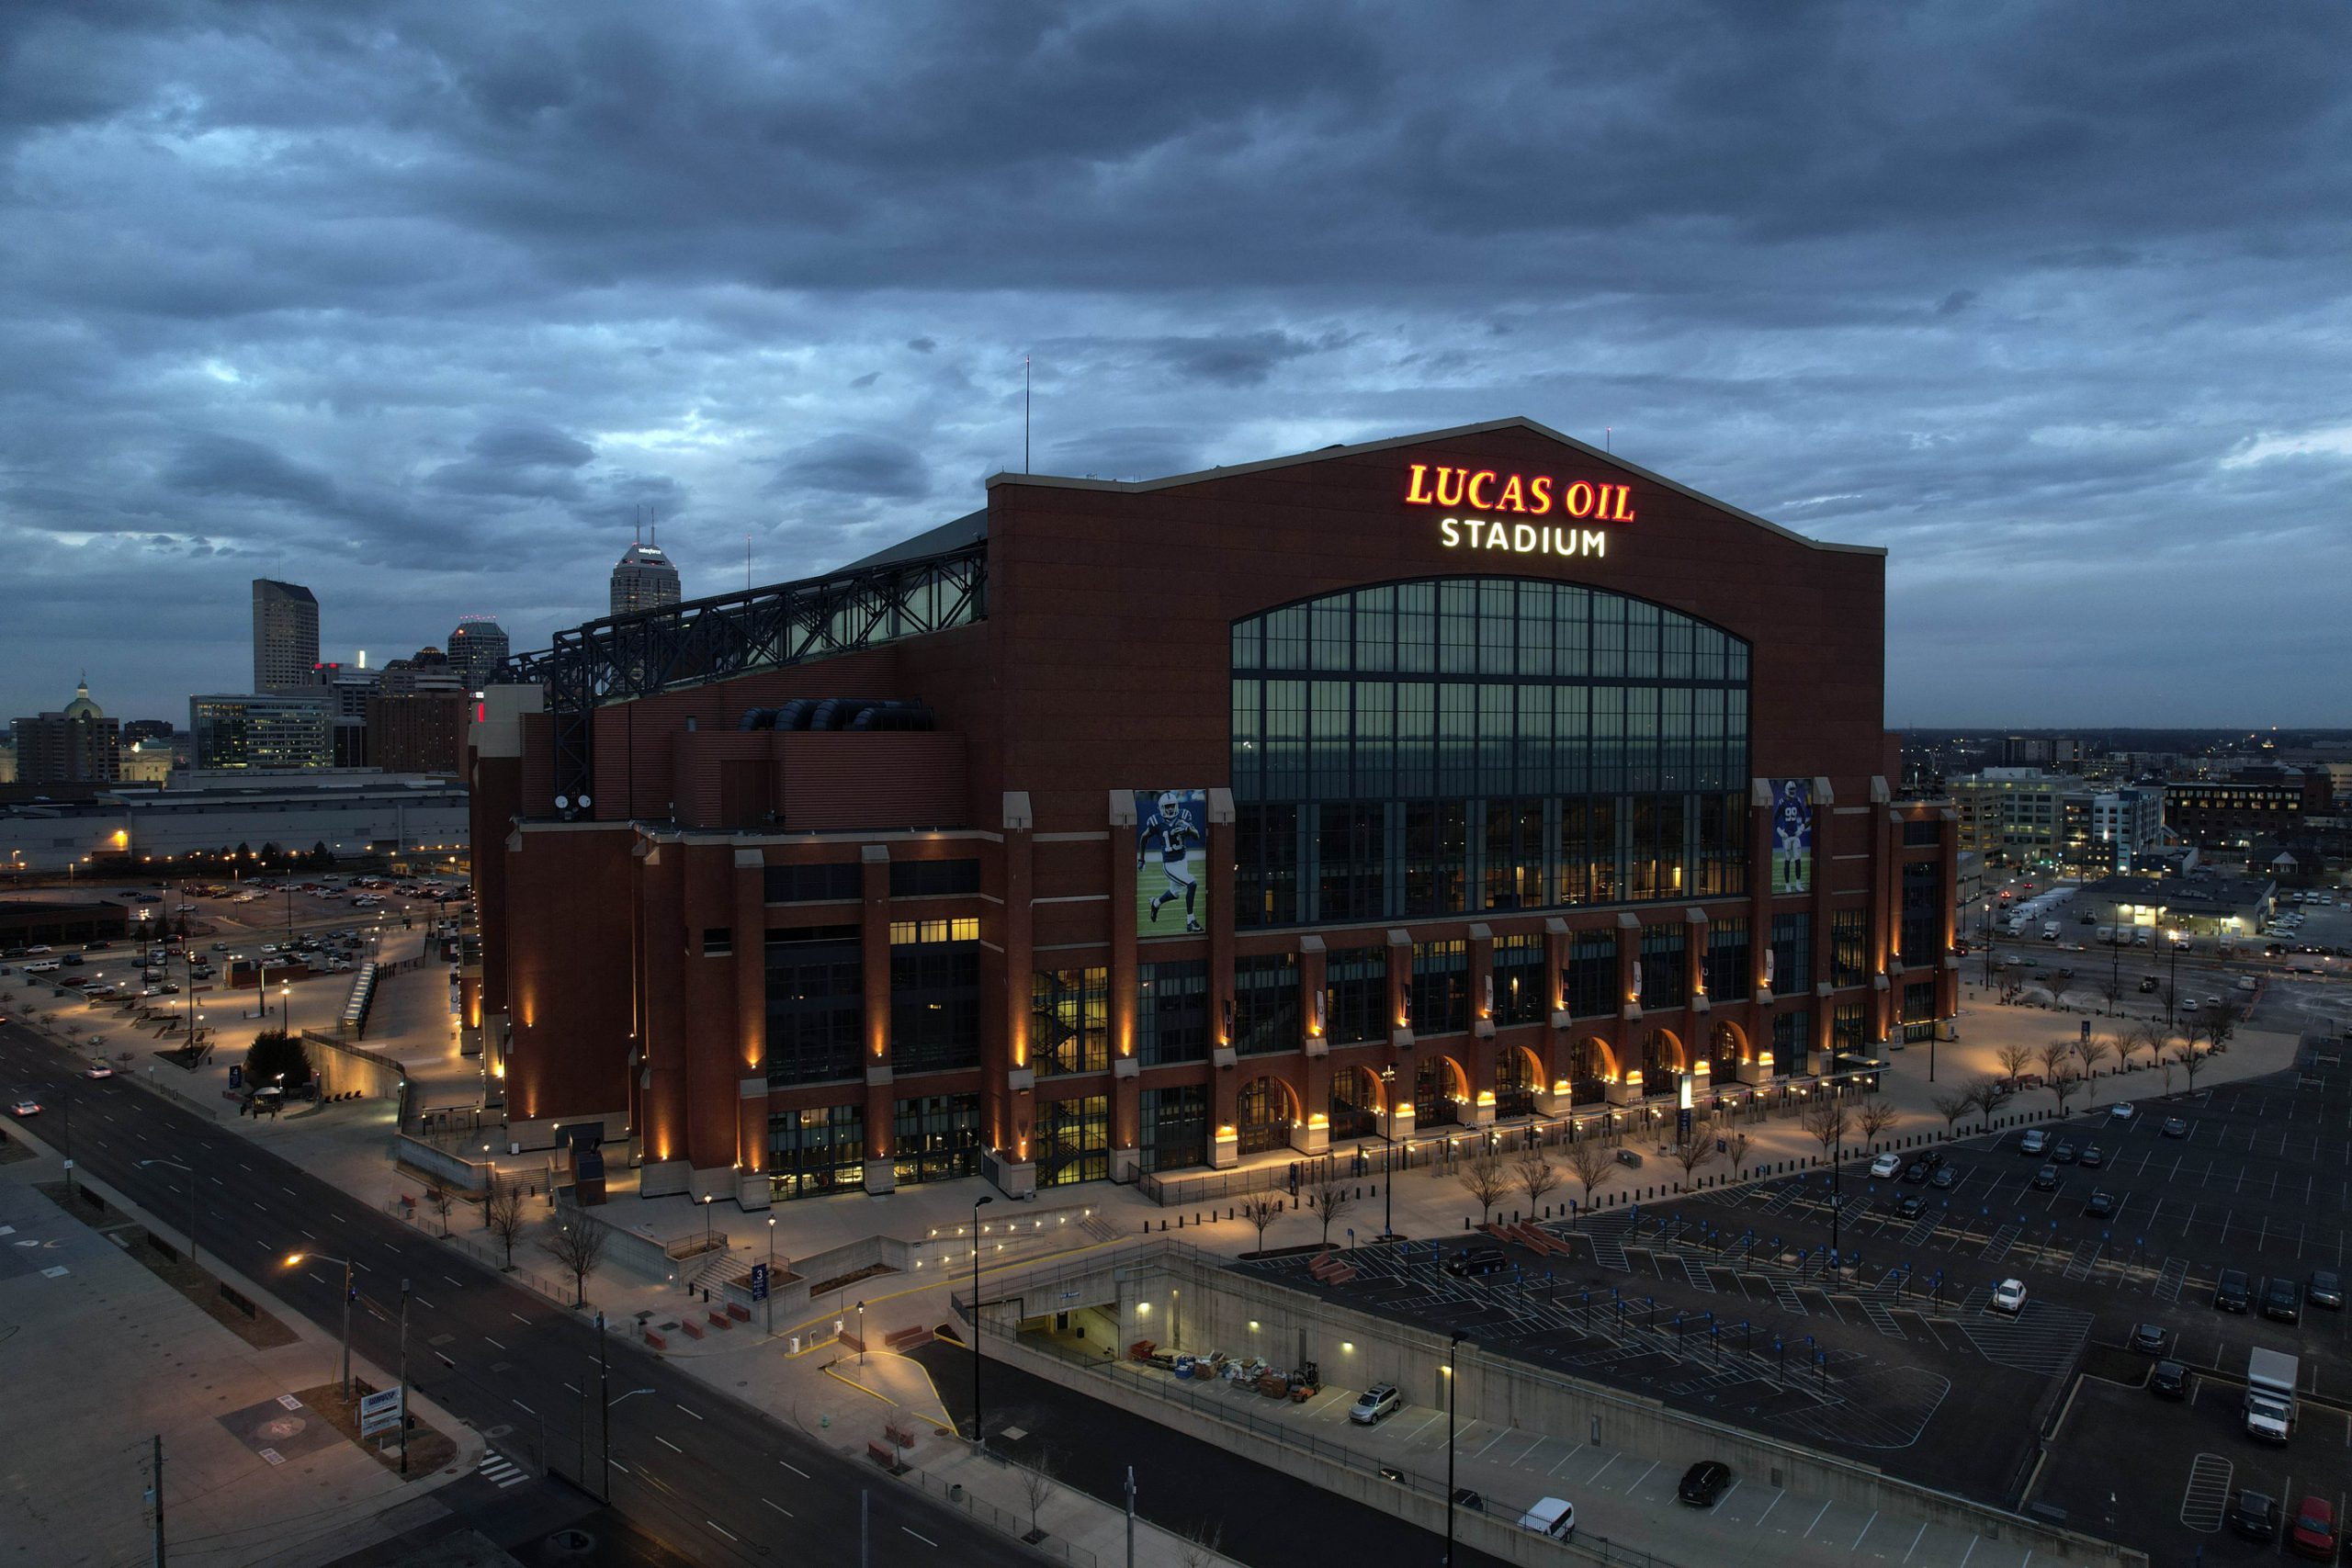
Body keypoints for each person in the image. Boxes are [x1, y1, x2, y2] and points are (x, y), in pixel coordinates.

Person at [1136, 791, 1204, 932]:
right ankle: (1190, 921)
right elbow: (1144, 837)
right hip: (1170, 864)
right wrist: (1141, 858)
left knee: (1174, 893)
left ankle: (1155, 903)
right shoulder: (1156, 821)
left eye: (1172, 806)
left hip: (1182, 860)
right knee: (1192, 884)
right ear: (1161, 808)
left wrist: (1188, 828)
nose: (1170, 809)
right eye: (1167, 807)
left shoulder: (1184, 816)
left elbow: (1197, 836)